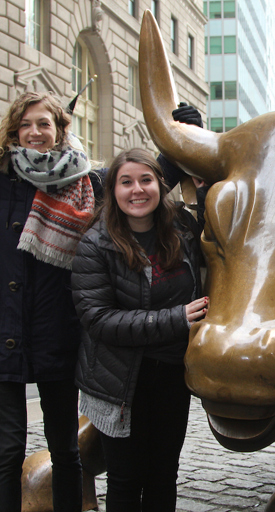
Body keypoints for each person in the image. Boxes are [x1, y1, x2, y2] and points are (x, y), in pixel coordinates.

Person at [0, 91, 96, 511]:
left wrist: (182, 125)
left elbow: (145, 181)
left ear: (60, 130)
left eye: (44, 124)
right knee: (6, 452)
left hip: (55, 329)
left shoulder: (83, 182)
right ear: (13, 129)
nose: (34, 132)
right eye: (26, 124)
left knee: (65, 450)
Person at [71, 148, 207, 512]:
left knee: (164, 474)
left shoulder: (183, 231)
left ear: (160, 185)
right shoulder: (94, 245)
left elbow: (221, 241)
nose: (137, 190)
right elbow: (98, 320)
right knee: (126, 479)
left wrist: (204, 184)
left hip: (172, 376)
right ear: (112, 191)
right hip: (119, 382)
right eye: (126, 182)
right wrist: (175, 319)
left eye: (146, 180)